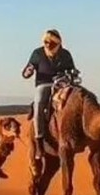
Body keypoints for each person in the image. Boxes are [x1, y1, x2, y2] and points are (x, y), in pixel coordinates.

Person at [22, 29, 76, 160]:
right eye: (45, 42)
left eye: (51, 43)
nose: (47, 45)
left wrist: (71, 74)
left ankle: (89, 133)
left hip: (63, 84)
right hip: (44, 84)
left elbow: (72, 69)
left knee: (80, 97)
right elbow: (27, 70)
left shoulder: (65, 54)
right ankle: (39, 141)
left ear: (58, 43)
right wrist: (28, 71)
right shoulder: (37, 53)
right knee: (39, 102)